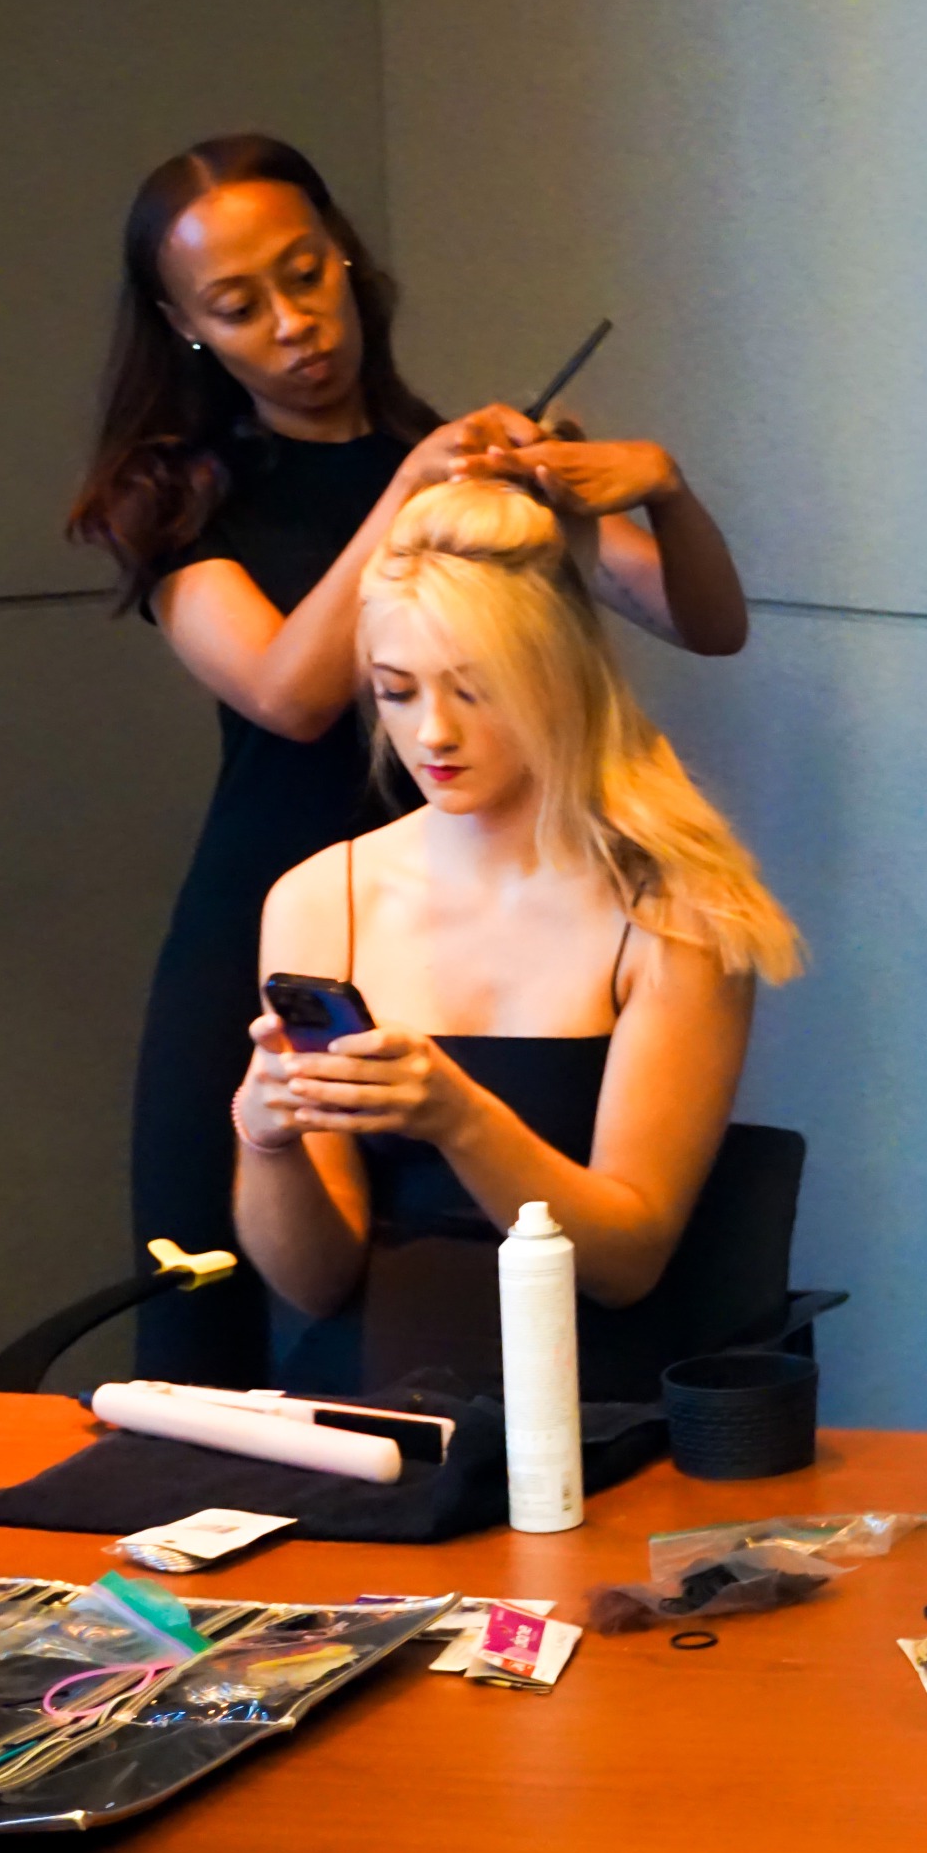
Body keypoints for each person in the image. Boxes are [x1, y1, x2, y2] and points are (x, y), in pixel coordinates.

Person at [66, 134, 753, 1382]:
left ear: (349, 262)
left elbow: (707, 622)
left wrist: (662, 490)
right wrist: (406, 491)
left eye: (307, 275)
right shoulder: (181, 501)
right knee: (229, 1306)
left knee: (505, 1274)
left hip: (523, 887)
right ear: (184, 326)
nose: (295, 324)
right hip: (287, 909)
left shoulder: (456, 474)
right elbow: (289, 694)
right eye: (240, 305)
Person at [228, 479, 801, 1395]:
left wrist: (461, 1118)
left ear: (556, 676)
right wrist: (266, 1143)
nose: (434, 734)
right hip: (361, 1407)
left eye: (474, 691)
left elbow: (625, 1261)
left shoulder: (671, 913)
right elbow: (314, 1282)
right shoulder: (320, 898)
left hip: (590, 1412)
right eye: (398, 693)